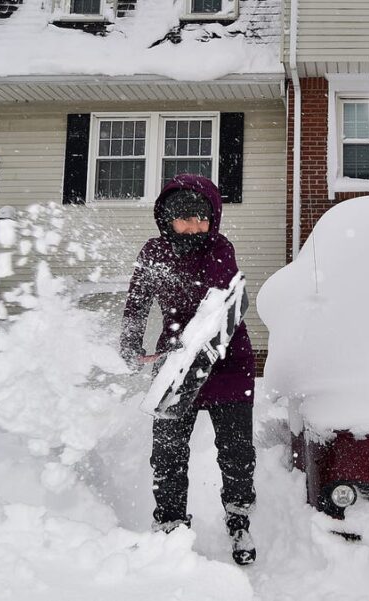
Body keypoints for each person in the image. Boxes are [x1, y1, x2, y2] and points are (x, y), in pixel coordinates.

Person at [120, 174, 257, 566]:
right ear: (167, 219)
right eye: (183, 218)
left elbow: (215, 306)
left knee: (235, 451)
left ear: (213, 218)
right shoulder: (153, 252)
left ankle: (239, 515)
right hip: (176, 367)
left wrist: (185, 343)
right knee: (168, 452)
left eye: (201, 218)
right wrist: (131, 343)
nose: (194, 226)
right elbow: (137, 302)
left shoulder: (219, 249)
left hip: (227, 362)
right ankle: (170, 522)